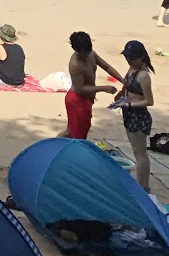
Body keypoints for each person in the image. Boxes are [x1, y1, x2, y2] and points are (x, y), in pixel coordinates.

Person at [60, 30, 123, 140]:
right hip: (77, 100)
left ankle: (55, 147)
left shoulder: (91, 54)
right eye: (84, 52)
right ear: (77, 50)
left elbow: (107, 67)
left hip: (87, 99)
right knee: (78, 134)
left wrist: (123, 81)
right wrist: (103, 88)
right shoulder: (75, 64)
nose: (86, 54)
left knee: (71, 131)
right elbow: (80, 89)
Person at [113, 40, 156, 190]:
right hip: (129, 114)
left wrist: (130, 104)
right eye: (127, 57)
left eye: (131, 58)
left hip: (138, 117)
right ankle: (142, 185)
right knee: (136, 150)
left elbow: (149, 101)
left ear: (141, 57)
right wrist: (121, 96)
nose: (128, 60)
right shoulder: (131, 69)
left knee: (140, 153)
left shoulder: (143, 76)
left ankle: (143, 186)